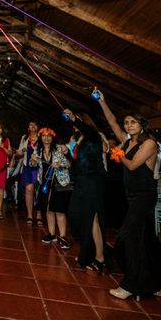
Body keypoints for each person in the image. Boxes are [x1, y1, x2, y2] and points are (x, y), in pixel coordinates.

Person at [97, 89, 161, 300]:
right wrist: (103, 102)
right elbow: (112, 122)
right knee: (149, 241)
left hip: (144, 196)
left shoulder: (150, 143)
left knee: (128, 238)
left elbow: (132, 165)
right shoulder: (126, 140)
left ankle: (131, 285)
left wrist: (118, 154)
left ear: (141, 124)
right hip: (131, 196)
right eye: (127, 122)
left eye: (132, 122)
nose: (128, 125)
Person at [63, 109, 107, 271]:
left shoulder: (94, 135)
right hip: (81, 180)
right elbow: (77, 162)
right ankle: (89, 251)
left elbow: (88, 130)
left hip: (93, 180)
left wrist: (74, 118)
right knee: (75, 215)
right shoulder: (80, 138)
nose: (75, 125)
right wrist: (67, 153)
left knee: (92, 219)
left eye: (79, 122)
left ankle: (99, 257)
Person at [35, 128, 72, 249]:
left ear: (52, 137)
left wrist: (60, 164)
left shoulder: (59, 148)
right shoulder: (38, 149)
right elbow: (33, 164)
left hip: (58, 183)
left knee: (59, 210)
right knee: (48, 209)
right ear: (41, 137)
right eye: (44, 136)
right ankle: (52, 234)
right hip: (44, 183)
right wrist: (32, 160)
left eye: (49, 136)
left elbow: (69, 164)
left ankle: (63, 236)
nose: (46, 138)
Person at [18, 120, 42, 225]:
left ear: (38, 127)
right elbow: (19, 153)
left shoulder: (42, 137)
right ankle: (30, 214)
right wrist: (22, 151)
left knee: (39, 190)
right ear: (28, 127)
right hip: (27, 167)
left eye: (34, 124)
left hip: (39, 167)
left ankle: (39, 214)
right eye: (30, 125)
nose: (32, 126)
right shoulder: (24, 138)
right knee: (29, 189)